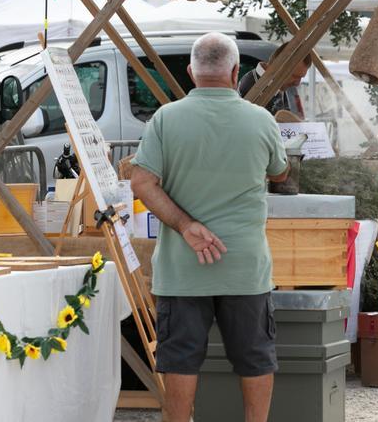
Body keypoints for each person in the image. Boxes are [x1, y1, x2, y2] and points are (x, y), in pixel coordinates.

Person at [130, 32, 290, 422]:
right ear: (236, 72)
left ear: (190, 72)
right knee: (254, 358)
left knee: (180, 359)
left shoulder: (165, 119)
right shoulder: (261, 120)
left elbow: (141, 182)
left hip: (183, 267)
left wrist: (186, 226)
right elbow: (281, 172)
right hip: (245, 267)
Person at [238, 42, 312, 119]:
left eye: (300, 78)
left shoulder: (276, 83)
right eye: (294, 76)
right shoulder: (253, 87)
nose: (297, 83)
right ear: (279, 65)